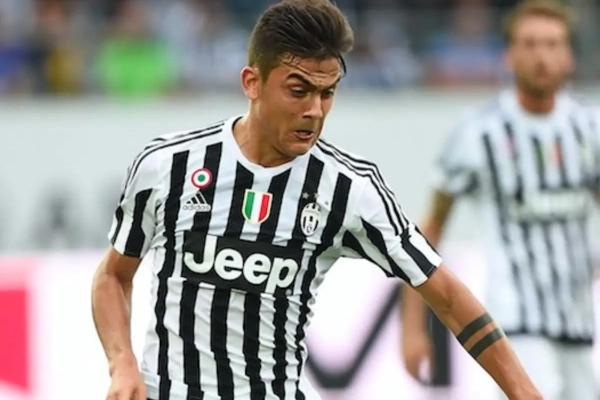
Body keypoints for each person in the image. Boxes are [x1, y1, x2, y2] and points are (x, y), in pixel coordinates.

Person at [91, 1, 542, 399]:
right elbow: (112, 276)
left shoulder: (349, 189)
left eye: (328, 93)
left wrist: (525, 393)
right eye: (298, 90)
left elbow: (447, 295)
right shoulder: (169, 165)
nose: (315, 110)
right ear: (252, 82)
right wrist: (121, 362)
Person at [400, 1, 599, 399]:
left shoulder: (590, 128)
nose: (541, 56)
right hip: (515, 325)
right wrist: (411, 326)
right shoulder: (478, 133)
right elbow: (430, 229)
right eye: (530, 44)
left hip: (579, 326)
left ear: (568, 56)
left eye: (552, 44)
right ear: (508, 54)